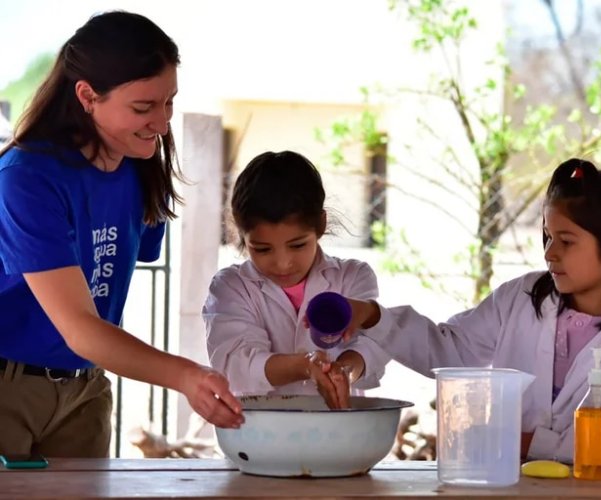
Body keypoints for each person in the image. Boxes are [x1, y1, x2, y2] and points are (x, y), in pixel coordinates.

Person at [0, 11, 243, 459]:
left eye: (168, 101)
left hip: (87, 389)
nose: (163, 122)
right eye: (143, 107)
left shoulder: (139, 164)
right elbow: (80, 327)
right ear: (87, 96)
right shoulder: (26, 177)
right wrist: (186, 376)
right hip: (11, 388)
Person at [342, 158, 601, 465]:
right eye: (548, 237)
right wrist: (373, 316)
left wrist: (526, 442)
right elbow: (450, 351)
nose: (550, 253)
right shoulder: (520, 298)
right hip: (515, 484)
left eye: (566, 241)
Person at [202, 150, 390, 409]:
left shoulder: (353, 277)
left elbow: (372, 345)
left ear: (321, 225)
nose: (283, 263)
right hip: (258, 439)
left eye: (298, 245)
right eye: (263, 249)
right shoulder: (231, 287)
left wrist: (343, 371)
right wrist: (305, 366)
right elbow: (236, 364)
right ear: (241, 234)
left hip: (339, 439)